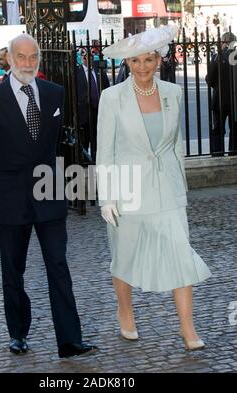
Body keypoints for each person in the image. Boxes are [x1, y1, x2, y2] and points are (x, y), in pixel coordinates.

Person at [0, 34, 97, 358]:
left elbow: (57, 143)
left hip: (50, 194)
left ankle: (69, 340)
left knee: (58, 264)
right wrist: (5, 177)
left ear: (39, 59)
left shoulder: (55, 93)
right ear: (11, 60)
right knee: (13, 270)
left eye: (33, 57)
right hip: (10, 197)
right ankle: (18, 333)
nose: (28, 63)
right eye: (22, 57)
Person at [97, 26, 212, 350]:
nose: (143, 67)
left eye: (149, 59)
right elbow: (105, 150)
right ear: (128, 63)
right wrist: (107, 197)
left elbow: (175, 146)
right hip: (127, 191)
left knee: (181, 255)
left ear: (159, 60)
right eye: (136, 61)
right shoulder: (112, 97)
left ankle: (187, 328)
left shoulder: (173, 94)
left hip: (167, 191)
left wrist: (181, 189)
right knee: (125, 255)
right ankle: (125, 311)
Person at [205, 32, 237, 156]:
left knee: (218, 129)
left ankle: (217, 153)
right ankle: (233, 153)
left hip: (219, 99)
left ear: (223, 42)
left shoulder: (217, 57)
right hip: (235, 100)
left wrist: (217, 87)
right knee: (235, 129)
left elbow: (210, 79)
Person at [76, 49, 110, 161]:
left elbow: (106, 88)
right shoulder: (77, 73)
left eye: (89, 55)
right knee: (85, 139)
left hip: (99, 110)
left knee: (98, 138)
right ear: (81, 58)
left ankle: (97, 159)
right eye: (84, 56)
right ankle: (85, 160)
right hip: (84, 113)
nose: (86, 58)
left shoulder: (99, 71)